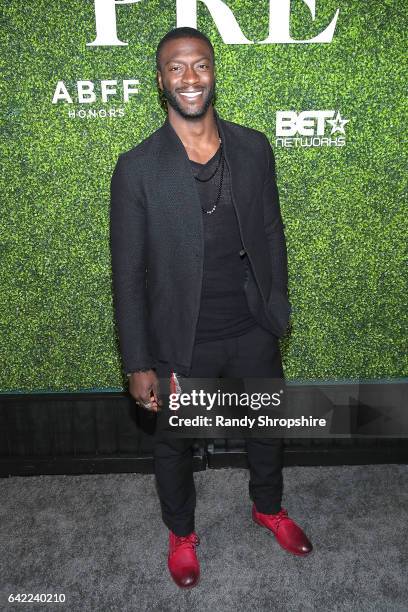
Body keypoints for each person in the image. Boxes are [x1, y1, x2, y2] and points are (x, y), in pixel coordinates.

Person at [110, 26, 313, 589]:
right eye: (177, 67)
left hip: (252, 325)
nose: (190, 77)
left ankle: (268, 508)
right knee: (174, 445)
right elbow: (127, 276)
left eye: (200, 64)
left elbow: (272, 233)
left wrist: (277, 305)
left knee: (266, 429)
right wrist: (138, 362)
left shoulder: (253, 147)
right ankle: (181, 534)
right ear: (160, 80)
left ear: (214, 71)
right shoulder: (138, 168)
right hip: (183, 338)